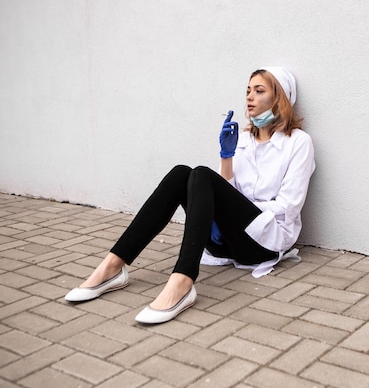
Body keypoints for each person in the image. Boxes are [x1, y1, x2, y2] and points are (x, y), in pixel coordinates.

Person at [64, 67, 315, 324]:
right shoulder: (242, 139)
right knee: (182, 173)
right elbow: (228, 190)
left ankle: (183, 281)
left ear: (279, 98)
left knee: (203, 175)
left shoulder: (298, 142)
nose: (249, 97)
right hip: (227, 242)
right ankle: (113, 265)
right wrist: (226, 158)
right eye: (248, 91)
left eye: (259, 91)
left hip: (264, 243)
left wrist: (234, 213)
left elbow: (289, 206)